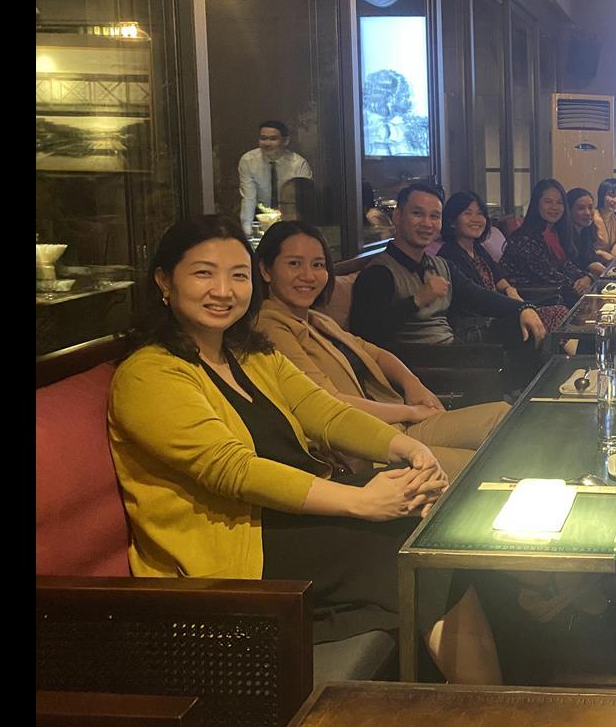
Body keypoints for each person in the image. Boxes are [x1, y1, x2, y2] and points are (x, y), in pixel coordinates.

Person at [107, 214, 499, 682]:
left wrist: (410, 451)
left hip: (291, 515)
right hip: (236, 547)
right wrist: (360, 500)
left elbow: (324, 413)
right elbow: (233, 470)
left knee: (436, 513)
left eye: (237, 275)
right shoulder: (148, 374)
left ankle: (491, 684)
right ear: (164, 281)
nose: (223, 290)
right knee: (411, 540)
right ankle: (484, 703)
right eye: (203, 273)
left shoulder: (249, 353)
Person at [253, 220, 510, 482]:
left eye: (317, 265)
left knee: (503, 417)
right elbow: (328, 403)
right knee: (480, 466)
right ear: (266, 270)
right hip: (363, 448)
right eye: (294, 264)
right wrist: (411, 412)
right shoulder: (270, 327)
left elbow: (377, 353)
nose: (308, 275)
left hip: (395, 425)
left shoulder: (316, 319)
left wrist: (412, 384)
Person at [349, 182, 546, 358]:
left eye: (434, 216)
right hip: (423, 363)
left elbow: (478, 297)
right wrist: (416, 301)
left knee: (525, 328)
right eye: (417, 214)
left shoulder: (441, 265)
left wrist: (522, 308)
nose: (427, 223)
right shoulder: (379, 273)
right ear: (398, 216)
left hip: (453, 350)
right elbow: (366, 335)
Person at [435, 190, 568, 335]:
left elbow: (499, 276)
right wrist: (519, 308)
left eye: (480, 213)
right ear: (452, 221)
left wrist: (509, 289)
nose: (476, 219)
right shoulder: (450, 255)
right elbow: (476, 297)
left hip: (497, 311)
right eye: (468, 213)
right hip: (476, 322)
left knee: (559, 312)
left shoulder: (477, 249)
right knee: (556, 314)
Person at [500, 179, 596, 308]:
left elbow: (566, 265)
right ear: (537, 204)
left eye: (559, 202)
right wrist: (579, 285)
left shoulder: (554, 232)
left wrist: (586, 278)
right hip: (527, 302)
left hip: (554, 295)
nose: (555, 207)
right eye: (548, 202)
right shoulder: (525, 237)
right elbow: (548, 274)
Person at [238, 120, 312, 238]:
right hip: (263, 216)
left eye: (273, 139)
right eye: (263, 138)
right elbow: (248, 198)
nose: (267, 143)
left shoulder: (298, 164)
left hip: (291, 218)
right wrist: (247, 234)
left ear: (285, 141)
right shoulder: (248, 161)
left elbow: (304, 202)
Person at [566, 186, 609, 276]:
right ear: (569, 210)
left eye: (590, 207)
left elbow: (589, 259)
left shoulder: (586, 232)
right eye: (581, 208)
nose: (588, 213)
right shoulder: (564, 236)